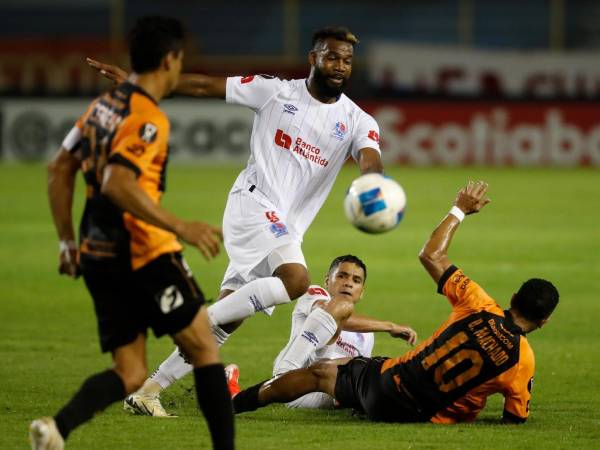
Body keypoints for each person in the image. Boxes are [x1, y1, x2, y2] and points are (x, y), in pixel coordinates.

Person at [88, 26, 386, 416]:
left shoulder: (357, 119)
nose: (340, 66)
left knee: (229, 319)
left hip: (286, 227)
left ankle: (148, 390)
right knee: (295, 280)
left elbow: (370, 157)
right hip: (253, 204)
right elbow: (203, 87)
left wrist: (371, 182)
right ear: (313, 58)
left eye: (346, 60)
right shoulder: (276, 91)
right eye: (331, 57)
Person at [31, 17, 234, 450]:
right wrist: (182, 226)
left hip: (97, 255)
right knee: (203, 347)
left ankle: (56, 431)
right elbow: (117, 184)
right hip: (145, 255)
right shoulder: (148, 120)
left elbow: (59, 168)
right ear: (170, 59)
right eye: (181, 59)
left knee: (130, 373)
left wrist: (67, 242)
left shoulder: (101, 106)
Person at [230, 181, 560, 424]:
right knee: (347, 369)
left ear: (514, 298)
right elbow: (515, 418)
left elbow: (431, 255)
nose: (348, 284)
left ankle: (235, 403)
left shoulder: (478, 303)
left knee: (322, 373)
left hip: (387, 389)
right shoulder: (523, 361)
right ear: (545, 320)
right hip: (424, 417)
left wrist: (459, 208)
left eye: (356, 280)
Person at [226, 254, 417, 410]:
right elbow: (333, 313)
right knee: (338, 311)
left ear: (362, 291)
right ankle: (281, 373)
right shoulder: (314, 294)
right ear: (327, 280)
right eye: (342, 276)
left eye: (356, 280)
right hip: (296, 377)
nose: (348, 283)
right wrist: (390, 326)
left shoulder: (367, 334)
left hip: (328, 391)